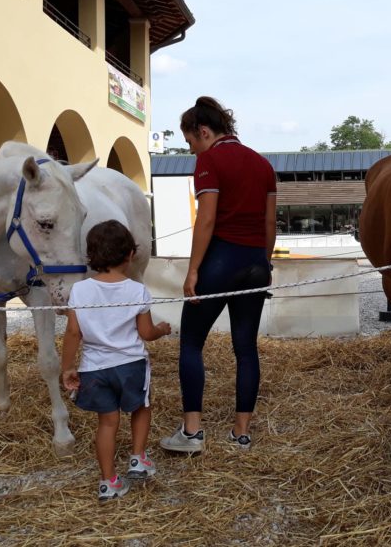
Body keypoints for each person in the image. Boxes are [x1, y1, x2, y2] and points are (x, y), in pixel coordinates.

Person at [160, 96, 277, 454]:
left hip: (222, 260)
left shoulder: (210, 161)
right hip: (257, 262)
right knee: (245, 348)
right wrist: (263, 261)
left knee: (192, 342)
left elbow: (206, 220)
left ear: (204, 131)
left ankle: (192, 433)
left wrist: (193, 270)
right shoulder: (262, 164)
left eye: (191, 142)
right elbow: (270, 222)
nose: (193, 151)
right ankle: (241, 434)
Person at [61, 220, 172, 502]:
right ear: (130, 255)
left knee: (107, 423)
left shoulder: (79, 291)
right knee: (141, 407)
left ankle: (108, 481)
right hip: (131, 365)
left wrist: (67, 367)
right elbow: (146, 333)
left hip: (94, 368)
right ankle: (138, 459)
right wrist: (161, 329)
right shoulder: (137, 290)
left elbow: (73, 332)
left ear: (91, 256)